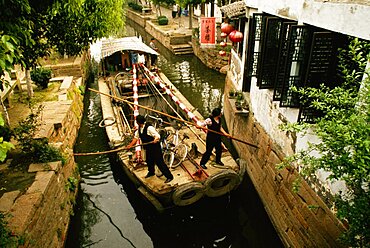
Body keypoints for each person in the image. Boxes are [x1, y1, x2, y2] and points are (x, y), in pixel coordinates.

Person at [126, 115, 174, 183]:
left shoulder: (149, 128)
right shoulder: (139, 129)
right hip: (148, 148)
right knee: (149, 161)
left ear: (138, 122)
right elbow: (136, 138)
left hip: (155, 148)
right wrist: (130, 145)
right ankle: (151, 172)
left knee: (159, 162)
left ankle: (169, 176)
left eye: (136, 121)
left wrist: (155, 139)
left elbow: (157, 136)